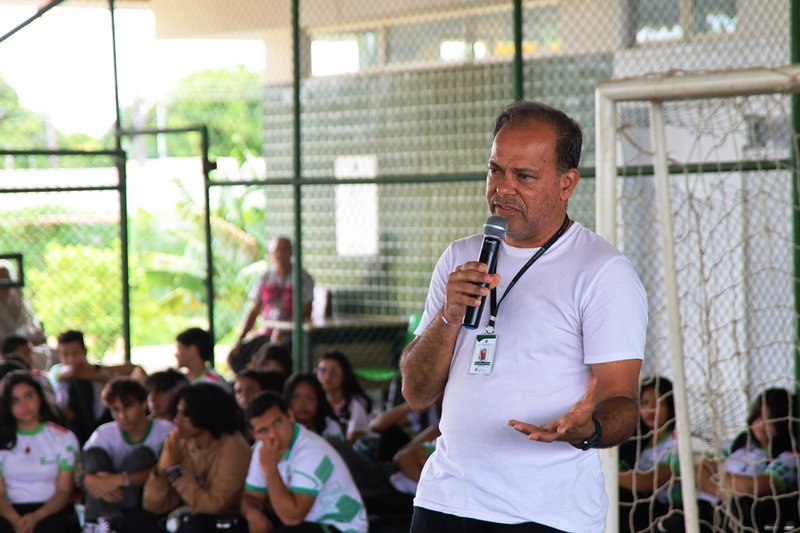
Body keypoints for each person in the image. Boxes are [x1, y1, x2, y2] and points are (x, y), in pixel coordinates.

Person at [399, 100, 648, 532]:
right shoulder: (460, 257)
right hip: (446, 500)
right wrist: (448, 316)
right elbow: (417, 393)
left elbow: (623, 402)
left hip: (546, 514)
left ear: (567, 183)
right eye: (496, 170)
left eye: (524, 176)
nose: (503, 188)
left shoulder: (602, 271)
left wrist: (587, 429)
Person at [240, 391, 368, 533]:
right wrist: (253, 514)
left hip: (338, 526)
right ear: (254, 434)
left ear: (290, 416)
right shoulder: (263, 448)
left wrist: (270, 469)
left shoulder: (311, 451)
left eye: (277, 423)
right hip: (306, 522)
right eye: (263, 430)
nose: (272, 435)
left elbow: (293, 518)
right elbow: (251, 496)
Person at [142, 382, 251, 532]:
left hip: (224, 521)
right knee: (139, 518)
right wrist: (161, 471)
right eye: (177, 412)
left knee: (196, 524)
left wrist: (173, 470)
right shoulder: (179, 442)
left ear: (205, 414)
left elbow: (212, 507)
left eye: (186, 414)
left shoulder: (234, 448)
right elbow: (152, 505)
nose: (177, 420)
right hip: (184, 515)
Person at [81, 377, 173, 532]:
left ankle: (106, 522)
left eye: (128, 407)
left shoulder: (165, 430)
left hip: (143, 501)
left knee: (141, 454)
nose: (122, 415)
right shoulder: (104, 433)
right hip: (105, 499)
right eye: (115, 409)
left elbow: (176, 470)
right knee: (93, 454)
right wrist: (90, 480)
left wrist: (121, 480)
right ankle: (102, 524)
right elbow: (79, 469)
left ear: (144, 404)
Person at [0, 370, 81, 533]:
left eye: (29, 396)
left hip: (52, 510)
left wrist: (36, 517)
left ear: (40, 397)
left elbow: (64, 491)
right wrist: (16, 520)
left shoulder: (64, 438)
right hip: (9, 512)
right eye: (16, 401)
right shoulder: (2, 440)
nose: (24, 406)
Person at [228, 237, 314, 372]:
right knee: (236, 356)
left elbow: (306, 311)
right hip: (267, 333)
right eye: (276, 251)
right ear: (270, 254)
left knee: (276, 356)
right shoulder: (264, 277)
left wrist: (283, 329)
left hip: (292, 335)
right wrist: (240, 338)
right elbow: (254, 310)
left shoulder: (303, 278)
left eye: (284, 250)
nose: (280, 254)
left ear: (291, 252)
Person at [49, 330, 142, 445]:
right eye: (65, 354)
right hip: (73, 424)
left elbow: (135, 369)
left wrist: (100, 370)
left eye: (75, 353)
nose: (71, 359)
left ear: (84, 351)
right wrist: (108, 377)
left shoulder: (97, 368)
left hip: (101, 419)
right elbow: (74, 371)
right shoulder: (56, 371)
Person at [618, 376, 679, 533]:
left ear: (671, 405)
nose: (650, 408)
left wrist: (611, 475)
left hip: (667, 511)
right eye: (644, 403)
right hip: (639, 509)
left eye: (658, 402)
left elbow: (653, 480)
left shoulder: (677, 440)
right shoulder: (635, 442)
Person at [315, 351, 373, 445]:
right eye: (322, 371)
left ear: (345, 374)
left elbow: (351, 439)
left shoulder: (356, 402)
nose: (327, 376)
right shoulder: (316, 401)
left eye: (334, 372)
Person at [174, 327, 230, 392]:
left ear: (193, 350)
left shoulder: (215, 384)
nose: (175, 355)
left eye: (179, 350)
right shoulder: (181, 382)